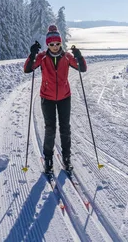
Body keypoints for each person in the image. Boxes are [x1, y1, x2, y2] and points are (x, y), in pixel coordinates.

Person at [23, 25, 87, 175]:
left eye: (57, 43)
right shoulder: (42, 57)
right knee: (50, 129)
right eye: (51, 44)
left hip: (65, 97)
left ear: (60, 43)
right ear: (47, 44)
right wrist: (32, 54)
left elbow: (82, 68)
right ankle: (48, 160)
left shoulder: (67, 57)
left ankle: (66, 158)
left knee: (65, 128)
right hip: (47, 98)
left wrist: (78, 55)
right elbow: (27, 69)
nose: (54, 46)